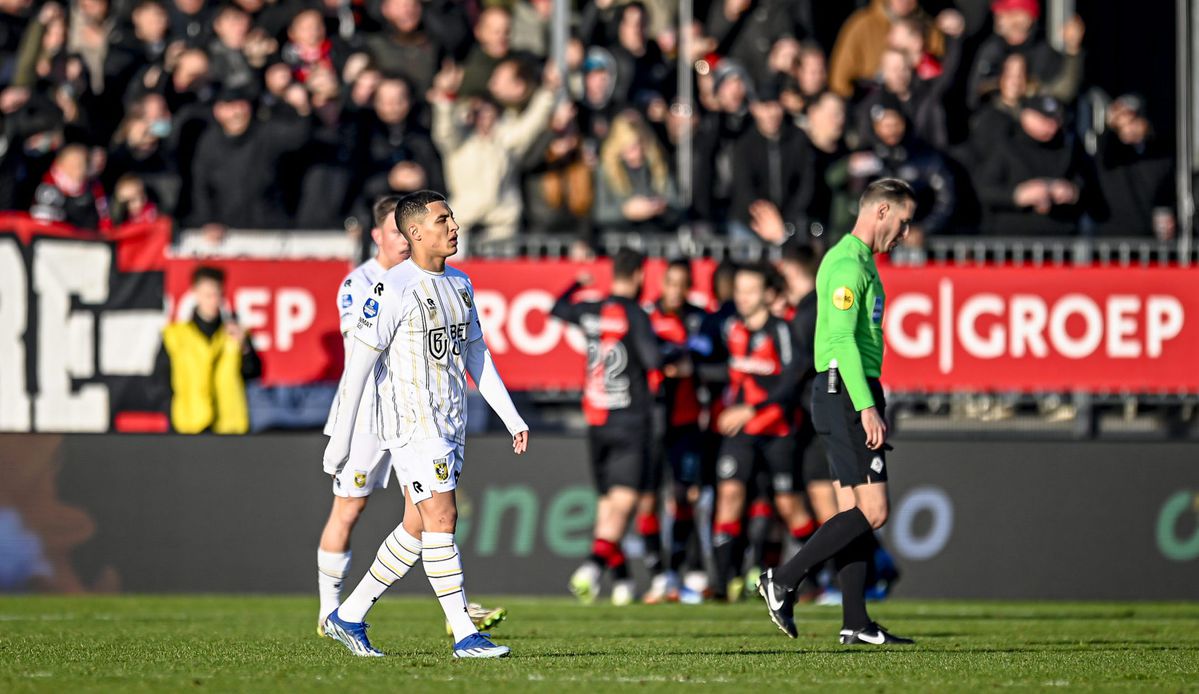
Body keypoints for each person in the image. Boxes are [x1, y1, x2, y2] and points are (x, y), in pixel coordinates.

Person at [322, 190, 529, 659]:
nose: (453, 226)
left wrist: (510, 415)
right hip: (412, 425)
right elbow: (357, 370)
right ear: (415, 232)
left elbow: (478, 354)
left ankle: (348, 615)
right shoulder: (391, 288)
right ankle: (464, 635)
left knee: (415, 528)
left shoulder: (460, 284)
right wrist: (341, 441)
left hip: (450, 421)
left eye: (452, 217)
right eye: (443, 220)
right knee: (443, 517)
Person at [759, 178, 917, 646]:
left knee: (852, 510)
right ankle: (782, 580)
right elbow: (844, 339)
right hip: (846, 391)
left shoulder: (858, 261)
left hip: (841, 391)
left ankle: (855, 621)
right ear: (881, 212)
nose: (905, 234)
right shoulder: (849, 263)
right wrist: (867, 405)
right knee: (875, 510)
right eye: (903, 222)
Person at [552, 249, 661, 606]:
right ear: (640, 276)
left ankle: (623, 581)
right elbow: (653, 360)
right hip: (629, 419)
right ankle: (592, 566)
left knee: (606, 505)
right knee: (624, 502)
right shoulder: (634, 314)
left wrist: (575, 285)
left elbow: (557, 308)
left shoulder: (592, 309)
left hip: (596, 419)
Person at [711, 263, 805, 601]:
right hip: (741, 432)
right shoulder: (731, 328)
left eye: (750, 290)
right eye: (739, 290)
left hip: (777, 429)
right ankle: (723, 586)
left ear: (767, 294)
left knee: (788, 507)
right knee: (729, 498)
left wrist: (752, 408)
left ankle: (817, 577)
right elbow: (727, 371)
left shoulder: (782, 331)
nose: (742, 297)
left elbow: (792, 380)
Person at [641, 258, 708, 604]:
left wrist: (692, 365)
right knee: (647, 499)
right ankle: (657, 574)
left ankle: (679, 573)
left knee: (685, 497)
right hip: (652, 423)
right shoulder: (647, 316)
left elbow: (716, 360)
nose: (677, 290)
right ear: (663, 284)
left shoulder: (699, 318)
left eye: (683, 284)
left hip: (686, 421)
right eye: (672, 283)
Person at [158, 266, 262, 434]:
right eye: (208, 295)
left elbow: (254, 373)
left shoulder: (235, 334)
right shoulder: (174, 335)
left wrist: (244, 347)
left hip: (229, 425)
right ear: (195, 294)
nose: (213, 301)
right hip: (188, 423)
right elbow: (160, 381)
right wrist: (171, 415)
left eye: (217, 295)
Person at [974, 94, 1088, 236]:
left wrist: (1072, 191)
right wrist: (1017, 195)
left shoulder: (1068, 148)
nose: (1051, 125)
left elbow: (1089, 188)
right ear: (1026, 115)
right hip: (1013, 242)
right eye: (1044, 118)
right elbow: (984, 190)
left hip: (1059, 241)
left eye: (1055, 120)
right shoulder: (1007, 145)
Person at [1090, 94, 1174, 239]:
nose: (1129, 128)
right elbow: (1103, 146)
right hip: (1112, 240)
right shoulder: (1110, 152)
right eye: (1123, 123)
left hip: (1151, 240)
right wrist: (1111, 123)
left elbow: (1168, 193)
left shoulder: (1160, 154)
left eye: (1134, 121)